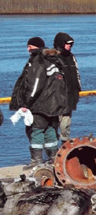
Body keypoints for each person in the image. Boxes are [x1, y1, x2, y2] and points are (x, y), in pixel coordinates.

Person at [9, 37, 68, 168]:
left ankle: (36, 160)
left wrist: (26, 104)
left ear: (35, 47)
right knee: (50, 129)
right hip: (55, 104)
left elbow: (35, 85)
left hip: (40, 104)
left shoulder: (38, 61)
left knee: (35, 130)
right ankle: (53, 158)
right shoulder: (53, 60)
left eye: (29, 46)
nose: (28, 49)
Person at [54, 32, 81, 142]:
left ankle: (65, 143)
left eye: (71, 44)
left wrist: (78, 88)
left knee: (66, 123)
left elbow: (77, 74)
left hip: (71, 95)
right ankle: (53, 147)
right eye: (67, 43)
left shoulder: (72, 57)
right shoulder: (53, 57)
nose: (69, 46)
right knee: (55, 122)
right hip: (57, 96)